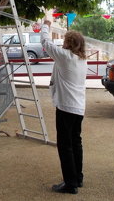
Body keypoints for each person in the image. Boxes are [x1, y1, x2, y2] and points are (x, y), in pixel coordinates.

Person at [41, 20, 87, 195]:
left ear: (69, 43)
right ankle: (78, 178)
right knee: (76, 142)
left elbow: (46, 42)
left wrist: (46, 25)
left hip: (66, 107)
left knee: (65, 145)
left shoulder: (66, 57)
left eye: (66, 40)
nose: (63, 43)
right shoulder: (81, 60)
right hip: (78, 107)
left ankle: (70, 183)